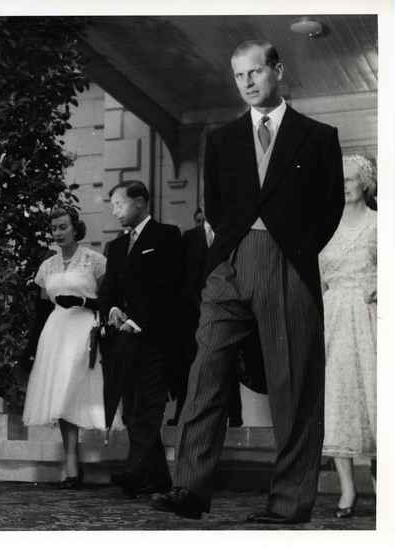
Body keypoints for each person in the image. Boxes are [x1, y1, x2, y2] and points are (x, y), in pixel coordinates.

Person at [151, 40, 344, 524]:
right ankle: (189, 490)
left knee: (293, 385)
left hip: (287, 263)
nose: (248, 83)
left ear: (277, 71)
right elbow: (213, 203)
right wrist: (226, 254)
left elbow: (330, 208)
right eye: (239, 76)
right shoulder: (220, 139)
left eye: (256, 72)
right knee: (205, 374)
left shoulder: (317, 136)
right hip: (229, 264)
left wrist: (294, 249)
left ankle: (289, 503)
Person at [98, 180, 183, 499]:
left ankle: (135, 471)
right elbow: (107, 291)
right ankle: (157, 478)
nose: (114, 210)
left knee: (149, 408)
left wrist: (139, 320)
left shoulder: (167, 236)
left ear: (141, 202)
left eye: (119, 204)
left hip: (157, 339)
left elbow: (170, 287)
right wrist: (114, 309)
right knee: (132, 409)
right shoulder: (116, 247)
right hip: (124, 342)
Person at [22, 205, 111, 488]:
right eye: (54, 228)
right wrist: (31, 345)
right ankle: (71, 462)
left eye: (63, 227)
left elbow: (109, 301)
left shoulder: (94, 261)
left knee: (77, 389)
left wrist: (82, 302)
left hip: (85, 328)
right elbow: (40, 310)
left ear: (75, 228)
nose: (58, 233)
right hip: (56, 332)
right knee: (61, 395)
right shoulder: (47, 266)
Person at [320, 154, 377, 518]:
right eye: (339, 179)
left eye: (351, 178)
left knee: (376, 400)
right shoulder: (325, 226)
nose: (345, 185)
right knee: (338, 400)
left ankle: (381, 486)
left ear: (366, 182)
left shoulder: (380, 224)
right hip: (333, 320)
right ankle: (347, 490)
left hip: (372, 320)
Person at [171, 215, 242, 427]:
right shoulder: (190, 237)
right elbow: (183, 276)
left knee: (228, 361)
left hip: (225, 309)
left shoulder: (231, 232)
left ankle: (234, 415)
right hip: (193, 313)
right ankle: (183, 413)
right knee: (190, 365)